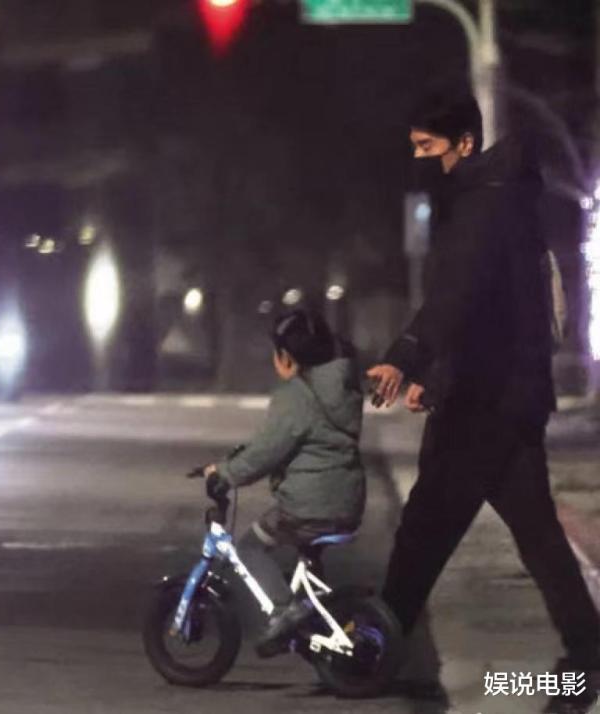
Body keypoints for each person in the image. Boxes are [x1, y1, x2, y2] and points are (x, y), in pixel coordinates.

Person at [367, 89, 600, 713]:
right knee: (538, 533)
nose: (421, 159)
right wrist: (433, 375)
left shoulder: (480, 208)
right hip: (508, 394)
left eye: (428, 147)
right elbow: (487, 313)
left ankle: (372, 647)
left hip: (484, 401)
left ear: (464, 142)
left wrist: (405, 358)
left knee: (425, 526)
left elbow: (455, 301)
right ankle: (587, 658)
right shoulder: (503, 200)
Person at [204, 308, 366, 657]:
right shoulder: (342, 388)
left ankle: (283, 610)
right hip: (348, 501)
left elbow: (266, 452)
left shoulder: (295, 396)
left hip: (309, 508)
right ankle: (316, 617)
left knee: (248, 547)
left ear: (286, 357)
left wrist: (224, 473)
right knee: (305, 554)